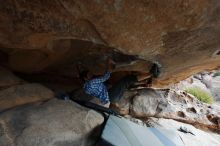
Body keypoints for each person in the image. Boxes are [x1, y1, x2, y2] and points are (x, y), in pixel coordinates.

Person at [76, 60, 161, 107]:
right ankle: (151, 73)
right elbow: (105, 77)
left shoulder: (85, 88)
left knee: (126, 85)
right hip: (110, 95)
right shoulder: (91, 82)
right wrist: (109, 67)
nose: (91, 74)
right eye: (89, 74)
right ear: (85, 78)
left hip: (112, 98)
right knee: (126, 80)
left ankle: (146, 81)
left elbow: (101, 85)